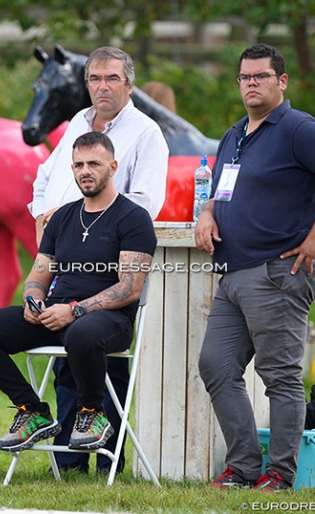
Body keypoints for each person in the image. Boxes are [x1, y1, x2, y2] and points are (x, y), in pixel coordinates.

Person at [0, 132, 156, 464]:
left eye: (94, 163)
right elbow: (38, 275)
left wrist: (75, 310)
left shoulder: (133, 218)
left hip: (109, 320)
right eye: (79, 164)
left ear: (113, 166)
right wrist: (33, 301)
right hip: (57, 314)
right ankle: (32, 410)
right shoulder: (62, 217)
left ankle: (91, 412)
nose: (85, 171)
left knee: (82, 332)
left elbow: (129, 288)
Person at [28, 46, 169, 474]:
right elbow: (46, 177)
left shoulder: (146, 133)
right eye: (94, 79)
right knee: (65, 363)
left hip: (109, 267)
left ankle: (109, 458)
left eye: (111, 79)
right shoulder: (76, 123)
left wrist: (75, 221)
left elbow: (145, 203)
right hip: (62, 262)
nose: (101, 87)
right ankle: (70, 459)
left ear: (129, 84)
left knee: (99, 356)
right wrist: (41, 216)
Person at [195, 44, 315, 492]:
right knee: (216, 366)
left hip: (277, 272)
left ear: (281, 81)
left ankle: (280, 475)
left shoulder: (299, 129)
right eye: (245, 77)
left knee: (280, 375)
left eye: (261, 76)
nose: (251, 84)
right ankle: (244, 468)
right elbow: (221, 191)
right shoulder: (235, 135)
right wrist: (207, 212)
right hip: (231, 275)